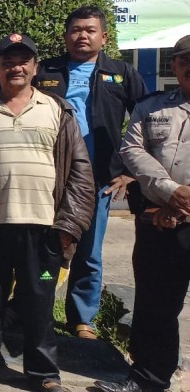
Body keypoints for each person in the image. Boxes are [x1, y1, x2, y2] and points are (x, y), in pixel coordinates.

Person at [0, 33, 94, 392]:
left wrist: (69, 224)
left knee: (39, 303)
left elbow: (80, 171)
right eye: (7, 61)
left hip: (44, 229)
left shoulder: (57, 110)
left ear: (35, 67)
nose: (16, 67)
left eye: (23, 60)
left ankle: (44, 374)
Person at [34, 6, 146, 340]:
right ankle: (34, 308)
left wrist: (130, 170)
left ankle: (82, 318)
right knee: (45, 246)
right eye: (76, 29)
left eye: (90, 30)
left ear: (104, 37)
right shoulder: (46, 71)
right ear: (66, 35)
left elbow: (145, 120)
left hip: (98, 178)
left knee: (89, 251)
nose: (82, 35)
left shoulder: (121, 73)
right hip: (49, 176)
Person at [94, 35, 190, 392]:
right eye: (184, 60)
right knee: (155, 305)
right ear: (175, 66)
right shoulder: (151, 107)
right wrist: (170, 191)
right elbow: (132, 148)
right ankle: (149, 378)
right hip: (161, 221)